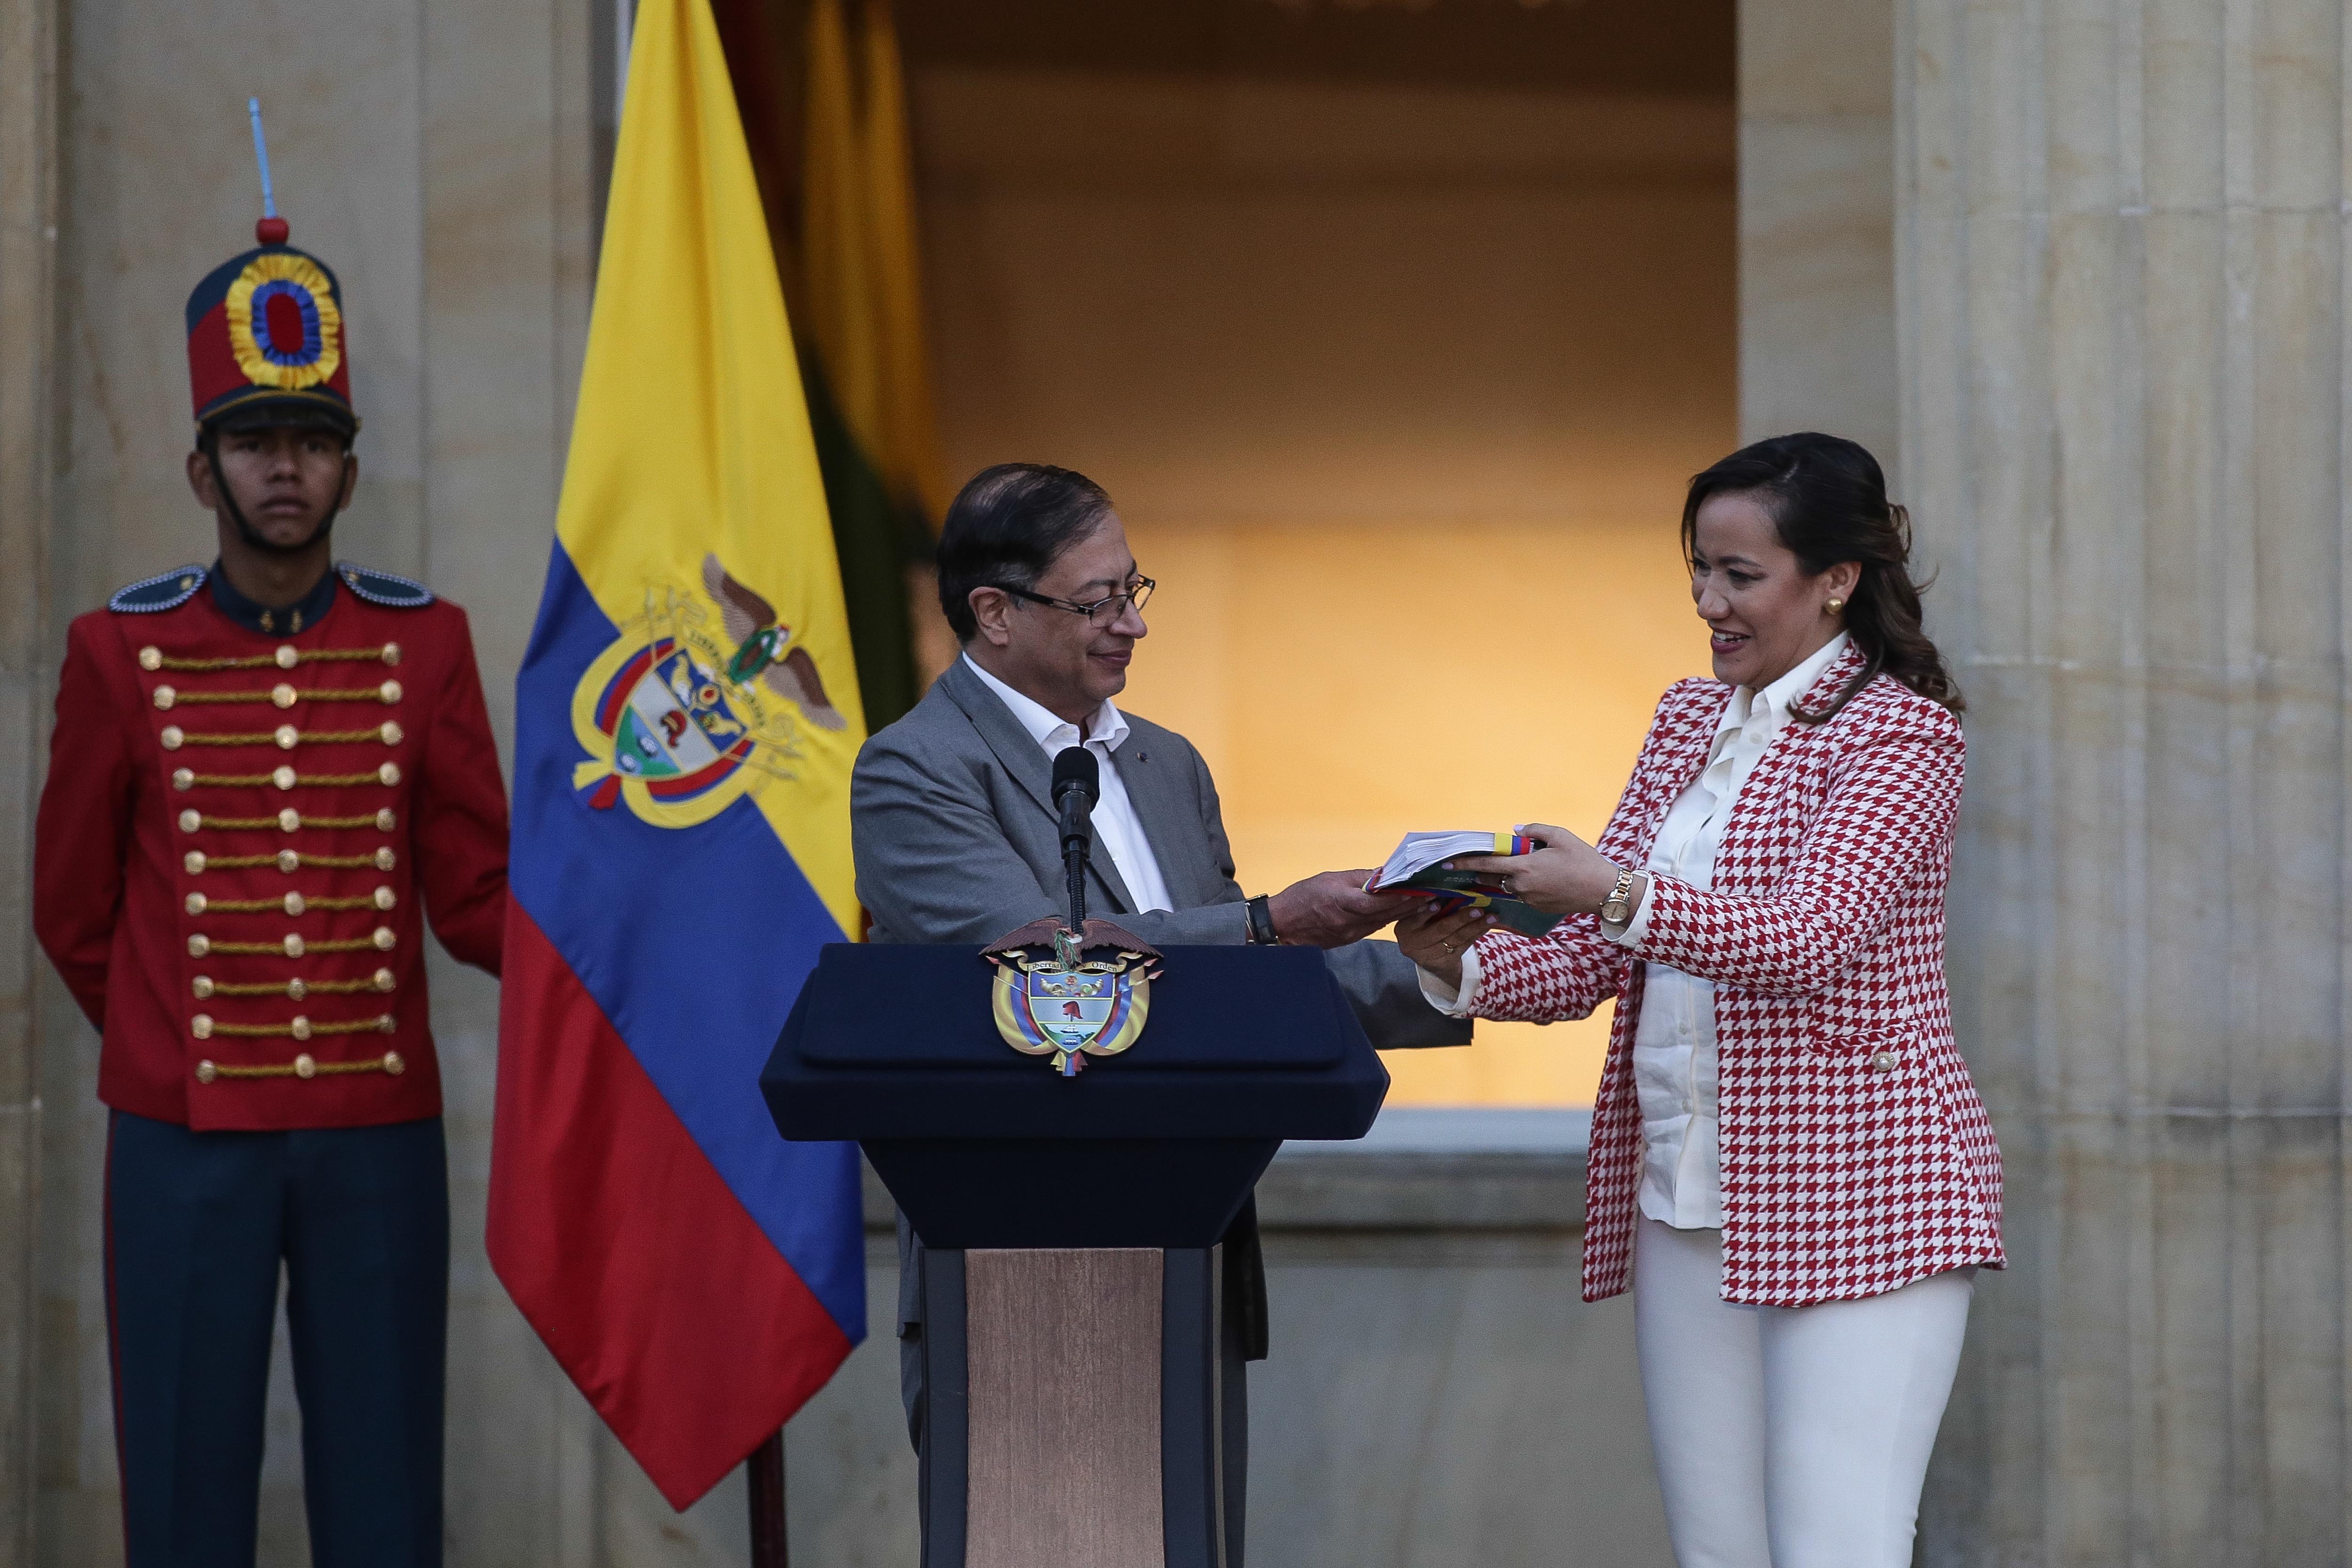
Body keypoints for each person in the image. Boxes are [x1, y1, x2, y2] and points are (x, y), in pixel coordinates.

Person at [1398, 432, 2003, 1568]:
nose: (1707, 601)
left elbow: (1812, 938)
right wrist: (1455, 960)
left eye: (1739, 573)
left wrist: (1610, 888)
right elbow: (1597, 958)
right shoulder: (1687, 717)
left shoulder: (1902, 732)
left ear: (1836, 578)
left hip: (1862, 1185)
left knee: (1836, 1549)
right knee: (1718, 1552)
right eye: (1698, 569)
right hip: (1685, 1193)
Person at [852, 461, 1468, 1563]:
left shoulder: (1163, 762)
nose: (1132, 623)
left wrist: (1450, 971)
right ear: (995, 611)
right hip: (1012, 1255)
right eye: (1098, 600)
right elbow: (1040, 971)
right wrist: (1270, 919)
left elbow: (1230, 990)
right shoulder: (915, 768)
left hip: (1190, 1244)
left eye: (1134, 589)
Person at [32, 204, 509, 1568]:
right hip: (183, 1134)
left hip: (375, 1130)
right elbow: (71, 908)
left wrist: (632, 924)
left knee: (385, 1497)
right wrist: (169, 1032)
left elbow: (476, 894)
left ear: (350, 469)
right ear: (204, 469)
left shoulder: (427, 645)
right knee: (184, 1494)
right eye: (254, 441)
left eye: (311, 440)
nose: (284, 468)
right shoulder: (119, 651)